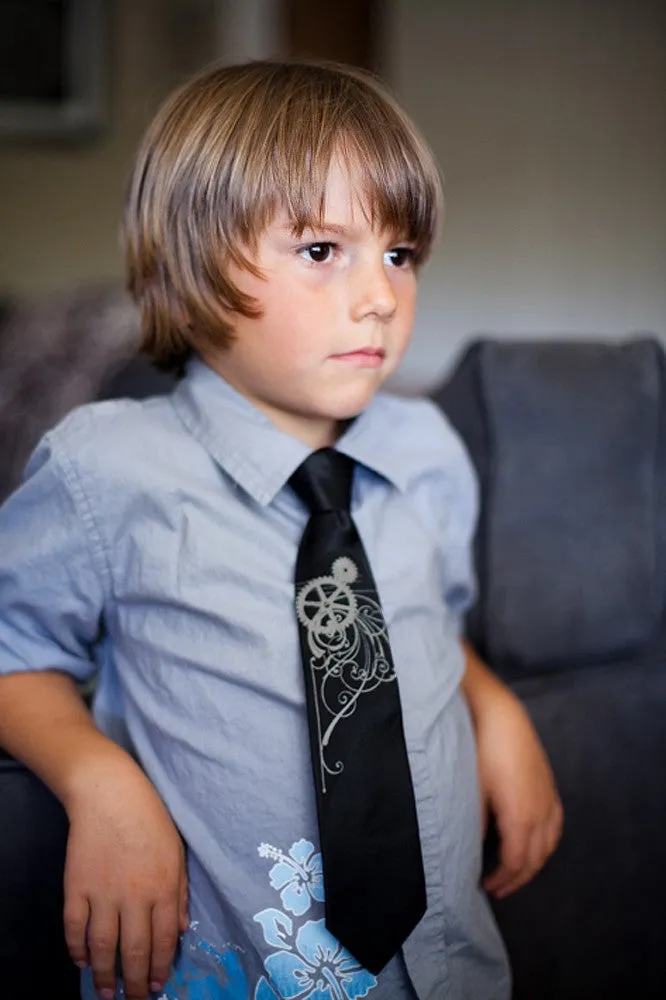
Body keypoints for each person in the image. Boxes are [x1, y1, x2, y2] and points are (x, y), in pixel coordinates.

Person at [0, 61, 562, 1000]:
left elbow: (415, 624)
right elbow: (11, 650)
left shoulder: (426, 452)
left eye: (400, 255)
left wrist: (494, 703)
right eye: (321, 251)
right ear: (197, 259)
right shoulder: (109, 470)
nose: (380, 297)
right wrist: (99, 779)